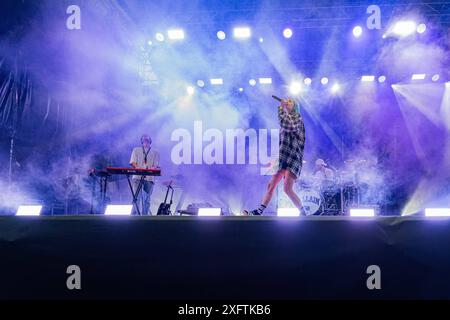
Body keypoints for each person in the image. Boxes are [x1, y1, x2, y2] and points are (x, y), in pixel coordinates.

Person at [243, 97, 306, 215]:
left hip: (293, 159)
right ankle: (259, 211)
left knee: (287, 189)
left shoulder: (297, 119)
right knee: (271, 185)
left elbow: (286, 124)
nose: (287, 103)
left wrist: (281, 109)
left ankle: (303, 212)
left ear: (295, 106)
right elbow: (284, 145)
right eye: (287, 102)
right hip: (283, 159)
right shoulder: (287, 120)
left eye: (290, 102)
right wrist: (275, 160)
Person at [129, 134, 160, 215]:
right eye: (144, 139)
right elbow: (133, 162)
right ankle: (135, 215)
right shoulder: (136, 150)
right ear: (141, 141)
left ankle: (145, 216)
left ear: (150, 141)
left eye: (147, 139)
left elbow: (155, 165)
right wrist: (139, 169)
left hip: (149, 177)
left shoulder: (155, 152)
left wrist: (150, 170)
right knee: (136, 197)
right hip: (137, 176)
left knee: (147, 199)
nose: (146, 140)